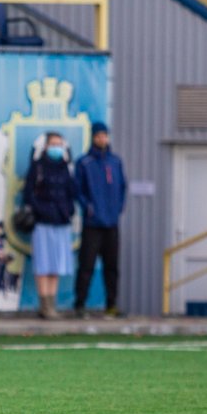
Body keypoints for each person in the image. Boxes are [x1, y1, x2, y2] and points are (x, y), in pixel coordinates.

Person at [74, 122, 127, 319]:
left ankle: (111, 305)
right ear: (93, 137)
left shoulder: (115, 161)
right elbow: (78, 189)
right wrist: (89, 209)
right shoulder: (84, 163)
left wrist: (117, 209)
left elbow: (123, 187)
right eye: (98, 136)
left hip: (111, 224)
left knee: (111, 266)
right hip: (92, 225)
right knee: (86, 265)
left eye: (104, 135)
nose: (102, 139)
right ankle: (80, 304)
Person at [23, 132, 77, 320]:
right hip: (42, 222)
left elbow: (72, 192)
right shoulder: (37, 167)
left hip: (61, 222)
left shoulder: (66, 167)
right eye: (53, 144)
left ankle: (52, 305)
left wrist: (68, 210)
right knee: (43, 264)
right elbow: (28, 194)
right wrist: (42, 210)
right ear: (46, 146)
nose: (56, 148)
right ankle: (44, 305)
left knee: (56, 265)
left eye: (59, 144)